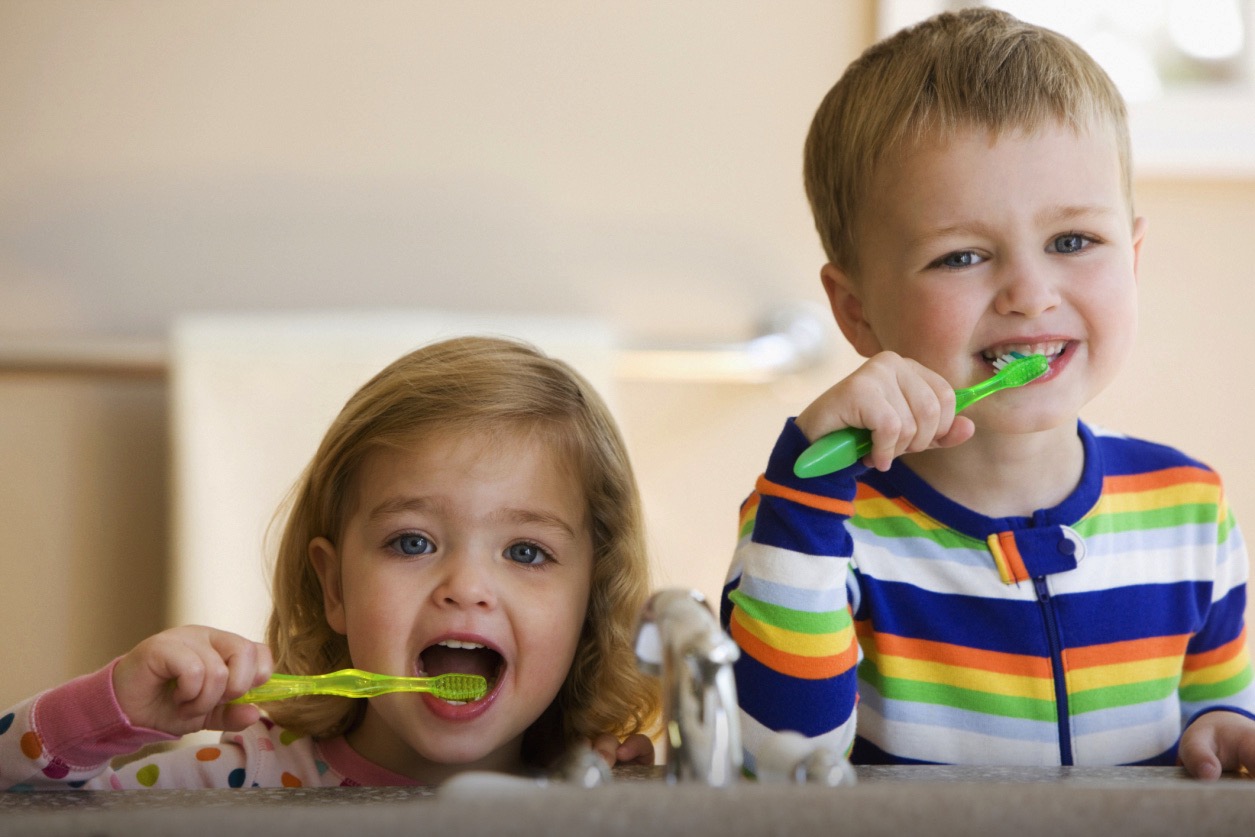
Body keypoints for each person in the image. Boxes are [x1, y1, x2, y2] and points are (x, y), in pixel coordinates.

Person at [721, 8, 1255, 779]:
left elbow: (1218, 709)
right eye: (962, 255)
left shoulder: (1188, 506)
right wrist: (804, 494)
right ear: (856, 311)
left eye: (1072, 241)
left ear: (1130, 258)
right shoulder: (815, 527)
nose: (1030, 295)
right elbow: (777, 762)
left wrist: (1224, 729)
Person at [1, 336, 659, 789]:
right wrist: (110, 706)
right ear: (332, 585)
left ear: (590, 605)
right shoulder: (235, 781)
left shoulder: (596, 799)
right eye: (413, 542)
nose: (465, 587)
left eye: (525, 551)